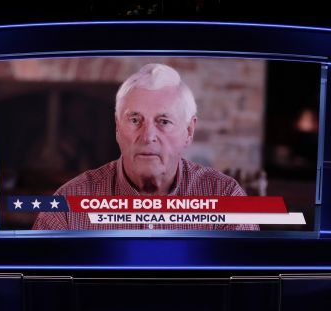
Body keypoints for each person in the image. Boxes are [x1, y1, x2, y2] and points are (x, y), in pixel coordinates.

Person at [33, 63, 258, 231]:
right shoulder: (67, 205)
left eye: (164, 121)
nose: (148, 136)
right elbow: (41, 289)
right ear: (117, 127)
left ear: (189, 132)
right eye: (134, 120)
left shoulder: (229, 201)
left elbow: (249, 291)